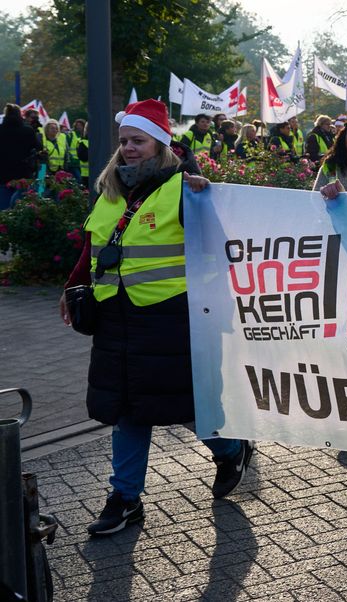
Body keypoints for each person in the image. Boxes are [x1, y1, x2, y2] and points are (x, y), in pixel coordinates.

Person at [57, 99, 254, 535]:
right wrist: (71, 287)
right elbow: (92, 249)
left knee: (184, 402)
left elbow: (221, 247)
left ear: (160, 145)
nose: (129, 148)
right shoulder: (110, 189)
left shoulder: (186, 189)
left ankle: (231, 448)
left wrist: (210, 201)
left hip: (168, 318)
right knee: (127, 409)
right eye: (124, 141)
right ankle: (125, 498)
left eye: (138, 141)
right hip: (114, 318)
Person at [0, 103, 42, 210]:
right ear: (20, 115)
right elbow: (38, 147)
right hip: (23, 172)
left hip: (3, 173)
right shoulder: (27, 130)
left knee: (4, 206)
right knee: (22, 205)